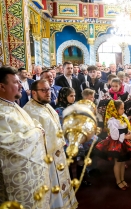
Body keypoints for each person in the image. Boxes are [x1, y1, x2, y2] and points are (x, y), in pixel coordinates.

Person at [0, 66, 51, 208]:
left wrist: (35, 128)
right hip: (16, 182)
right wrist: (36, 132)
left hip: (32, 175)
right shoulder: (1, 111)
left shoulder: (12, 105)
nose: (21, 85)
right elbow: (5, 144)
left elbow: (28, 123)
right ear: (2, 86)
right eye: (16, 82)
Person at [23, 80, 78, 208]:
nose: (48, 93)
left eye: (49, 89)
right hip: (46, 159)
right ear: (34, 92)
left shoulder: (46, 106)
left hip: (58, 153)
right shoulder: (30, 111)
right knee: (53, 188)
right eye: (44, 90)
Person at [95, 100, 131, 190]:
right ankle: (118, 181)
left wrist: (130, 134)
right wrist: (126, 137)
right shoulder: (112, 121)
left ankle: (122, 179)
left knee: (122, 162)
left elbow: (127, 127)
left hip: (124, 142)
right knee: (118, 162)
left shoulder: (123, 117)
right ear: (115, 109)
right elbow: (114, 136)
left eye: (123, 108)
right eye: (122, 108)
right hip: (116, 143)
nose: (124, 110)